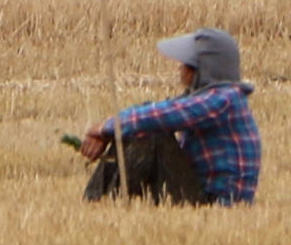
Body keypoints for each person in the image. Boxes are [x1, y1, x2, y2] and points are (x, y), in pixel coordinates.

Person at [78, 27, 261, 205]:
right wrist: (111, 131)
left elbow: (158, 116)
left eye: (185, 65)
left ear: (200, 70)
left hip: (214, 205)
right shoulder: (216, 97)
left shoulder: (224, 100)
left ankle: (103, 202)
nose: (180, 69)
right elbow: (152, 109)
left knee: (150, 133)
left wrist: (105, 129)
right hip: (200, 195)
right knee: (138, 127)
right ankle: (100, 202)